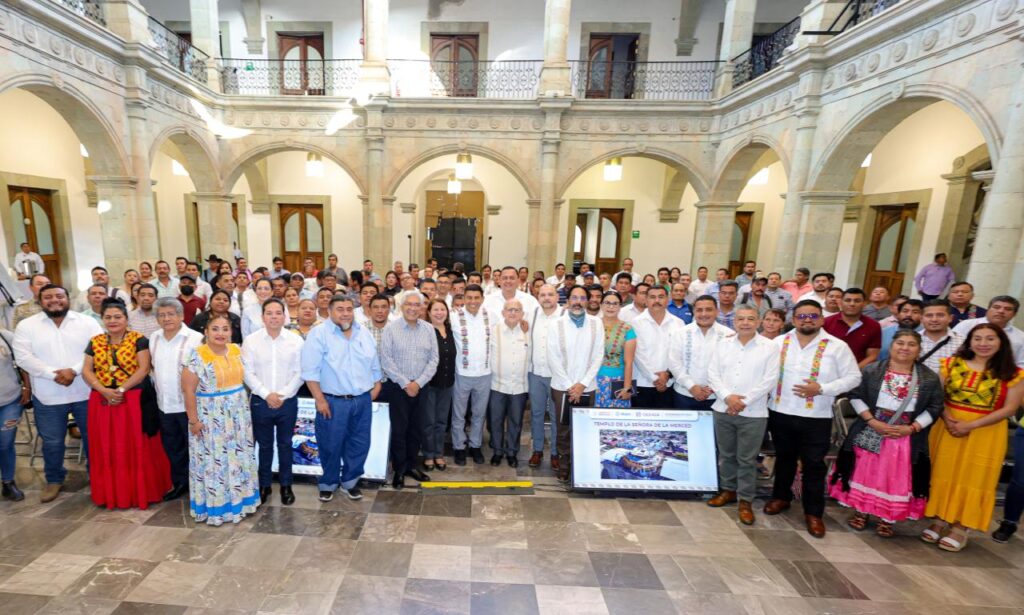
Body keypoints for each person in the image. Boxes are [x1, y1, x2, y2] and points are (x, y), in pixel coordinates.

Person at [828, 330, 944, 537]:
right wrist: (871, 420)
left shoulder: (928, 378)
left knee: (896, 477)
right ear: (891, 347)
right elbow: (855, 395)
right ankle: (861, 511)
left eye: (911, 344)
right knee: (865, 472)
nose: (905, 348)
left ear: (919, 350)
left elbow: (935, 407)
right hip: (872, 429)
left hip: (906, 438)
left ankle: (887, 517)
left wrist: (912, 427)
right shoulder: (872, 370)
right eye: (900, 343)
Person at [763, 300, 861, 538]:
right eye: (802, 316)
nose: (807, 320)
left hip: (816, 416)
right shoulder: (778, 343)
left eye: (813, 316)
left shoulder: (837, 346)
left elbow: (854, 377)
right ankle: (781, 497)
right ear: (793, 319)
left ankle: (813, 513)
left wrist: (823, 388)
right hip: (780, 411)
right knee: (784, 459)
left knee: (814, 465)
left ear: (822, 319)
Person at [922, 323, 1024, 551]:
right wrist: (949, 420)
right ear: (969, 342)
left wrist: (972, 425)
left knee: (974, 476)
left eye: (990, 339)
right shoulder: (950, 364)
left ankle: (961, 526)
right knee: (942, 471)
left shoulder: (1014, 374)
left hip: (985, 432)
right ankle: (938, 519)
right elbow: (937, 396)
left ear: (1002, 343)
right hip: (947, 427)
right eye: (977, 338)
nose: (983, 344)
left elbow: (1010, 409)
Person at [13, 284, 103, 502]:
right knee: (52, 442)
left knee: (93, 439)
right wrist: (52, 374)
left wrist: (73, 370)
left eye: (59, 296)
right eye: (48, 297)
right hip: (48, 395)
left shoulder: (87, 322)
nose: (55, 300)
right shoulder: (27, 326)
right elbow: (23, 357)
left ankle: (98, 478)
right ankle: (54, 480)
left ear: (67, 298)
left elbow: (99, 349)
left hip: (85, 392)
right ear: (40, 301)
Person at [81, 298, 170, 510]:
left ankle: (139, 492)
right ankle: (111, 492)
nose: (113, 321)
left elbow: (143, 369)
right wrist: (103, 390)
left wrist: (120, 390)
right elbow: (86, 370)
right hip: (102, 401)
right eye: (108, 317)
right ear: (102, 320)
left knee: (136, 447)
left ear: (126, 319)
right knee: (107, 447)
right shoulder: (95, 342)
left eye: (118, 317)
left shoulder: (139, 340)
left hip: (132, 400)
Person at [301, 295, 382, 502]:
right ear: (329, 310)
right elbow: (310, 372)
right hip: (332, 401)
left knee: (359, 443)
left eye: (349, 309)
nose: (345, 313)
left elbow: (374, 365)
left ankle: (350, 482)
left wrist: (374, 388)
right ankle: (328, 483)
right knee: (330, 444)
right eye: (340, 309)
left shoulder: (363, 332)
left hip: (362, 400)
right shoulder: (319, 334)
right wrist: (320, 400)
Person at [182, 313, 260, 525]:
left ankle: (241, 501)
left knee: (237, 458)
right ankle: (218, 508)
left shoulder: (236, 350)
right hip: (211, 417)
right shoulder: (197, 355)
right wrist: (193, 420)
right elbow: (188, 390)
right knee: (214, 462)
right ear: (205, 332)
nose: (220, 333)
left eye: (225, 329)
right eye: (215, 329)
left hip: (238, 417)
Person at [706, 305, 780, 525]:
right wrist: (728, 397)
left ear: (758, 322)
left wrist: (743, 402)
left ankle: (745, 500)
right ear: (734, 322)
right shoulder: (723, 344)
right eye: (741, 319)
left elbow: (770, 379)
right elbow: (713, 374)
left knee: (746, 459)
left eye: (750, 319)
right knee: (726, 454)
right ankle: (728, 490)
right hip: (723, 408)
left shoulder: (769, 347)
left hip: (754, 412)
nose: (745, 323)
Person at [242, 298, 304, 506]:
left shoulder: (296, 340)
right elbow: (247, 373)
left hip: (288, 402)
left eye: (278, 313)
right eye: (269, 313)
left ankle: (286, 485)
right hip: (261, 401)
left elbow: (300, 372)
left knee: (286, 444)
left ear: (285, 316)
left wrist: (283, 395)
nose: (274, 317)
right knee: (265, 446)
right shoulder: (251, 341)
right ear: (262, 317)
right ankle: (264, 485)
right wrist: (266, 394)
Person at [380, 292, 438, 488]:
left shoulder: (429, 329)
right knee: (399, 430)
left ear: (422, 308)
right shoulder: (391, 330)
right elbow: (386, 361)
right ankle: (399, 469)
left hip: (422, 388)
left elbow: (434, 360)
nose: (413, 308)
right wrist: (406, 383)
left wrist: (418, 383)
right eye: (409, 305)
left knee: (416, 429)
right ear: (401, 307)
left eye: (417, 305)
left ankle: (412, 465)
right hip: (397, 388)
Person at [547, 285, 604, 483]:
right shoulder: (556, 324)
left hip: (588, 387)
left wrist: (583, 384)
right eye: (574, 298)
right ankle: (564, 468)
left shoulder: (597, 323)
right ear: (568, 301)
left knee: (584, 428)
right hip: (562, 387)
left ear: (587, 301)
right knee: (563, 430)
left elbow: (598, 356)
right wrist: (571, 385)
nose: (578, 302)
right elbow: (553, 357)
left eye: (582, 298)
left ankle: (581, 469)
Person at [150, 297, 203, 502]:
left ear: (181, 315)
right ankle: (180, 482)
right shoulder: (153, 338)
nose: (166, 319)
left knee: (195, 447)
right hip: (164, 404)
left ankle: (199, 484)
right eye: (161, 315)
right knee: (173, 447)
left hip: (189, 405)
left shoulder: (195, 338)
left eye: (171, 314)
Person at [669, 296, 735, 410]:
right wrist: (691, 386)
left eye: (709, 309)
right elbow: (674, 363)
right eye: (699, 310)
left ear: (717, 311)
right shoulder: (680, 333)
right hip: (684, 394)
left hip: (717, 397)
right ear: (694, 312)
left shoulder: (729, 335)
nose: (704, 314)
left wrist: (712, 388)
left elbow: (731, 366)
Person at [487, 298, 531, 467]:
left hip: (519, 386)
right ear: (503, 312)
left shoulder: (528, 331)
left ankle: (512, 452)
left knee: (516, 421)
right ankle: (497, 451)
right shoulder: (493, 330)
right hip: (497, 385)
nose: (513, 313)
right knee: (495, 421)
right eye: (509, 309)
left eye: (517, 310)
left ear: (522, 314)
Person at [451, 285, 492, 466]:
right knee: (459, 414)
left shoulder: (492, 316)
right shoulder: (454, 316)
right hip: (462, 373)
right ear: (464, 298)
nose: (473, 301)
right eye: (469, 298)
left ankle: (475, 445)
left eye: (477, 297)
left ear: (482, 299)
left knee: (479, 413)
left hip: (485, 373)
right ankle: (459, 446)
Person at [527, 284, 563, 468]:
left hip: (558, 376)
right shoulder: (532, 314)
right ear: (538, 297)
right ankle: (537, 450)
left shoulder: (565, 316)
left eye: (550, 294)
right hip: (536, 373)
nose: (546, 298)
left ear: (557, 297)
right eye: (543, 295)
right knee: (537, 413)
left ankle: (556, 453)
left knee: (556, 416)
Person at [633, 285, 684, 408]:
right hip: (641, 383)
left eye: (661, 297)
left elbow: (679, 354)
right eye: (652, 297)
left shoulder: (678, 323)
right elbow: (637, 355)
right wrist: (655, 378)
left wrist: (668, 376)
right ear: (646, 299)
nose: (656, 301)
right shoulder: (635, 323)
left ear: (668, 299)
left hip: (669, 384)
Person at [421, 298, 455, 472]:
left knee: (441, 421)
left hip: (447, 383)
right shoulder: (425, 331)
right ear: (428, 312)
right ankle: (427, 454)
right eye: (435, 310)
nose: (439, 313)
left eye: (443, 309)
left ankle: (438, 453)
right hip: (429, 384)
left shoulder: (451, 330)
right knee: (429, 421)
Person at [0, 324, 29, 501]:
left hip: (10, 400)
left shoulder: (6, 337)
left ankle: (8, 482)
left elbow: (23, 363)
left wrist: (27, 387)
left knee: (5, 442)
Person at [953, 295, 1024, 367]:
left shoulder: (1021, 337)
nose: (1001, 311)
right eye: (996, 307)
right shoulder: (966, 325)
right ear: (988, 309)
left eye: (1008, 309)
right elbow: (951, 350)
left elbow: (1022, 364)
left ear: (1014, 314)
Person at [595, 291, 636, 408]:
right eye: (607, 303)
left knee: (616, 421)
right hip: (592, 381)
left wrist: (627, 388)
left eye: (615, 303)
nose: (611, 307)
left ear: (620, 307)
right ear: (601, 305)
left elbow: (629, 362)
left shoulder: (627, 329)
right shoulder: (592, 325)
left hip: (618, 382)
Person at [823, 288, 882, 368]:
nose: (852, 304)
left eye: (857, 301)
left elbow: (872, 356)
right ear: (840, 303)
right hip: (827, 369)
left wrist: (853, 372)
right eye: (847, 300)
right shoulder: (826, 322)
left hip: (858, 372)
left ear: (864, 304)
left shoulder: (874, 325)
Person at [918, 300, 965, 374]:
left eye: (940, 315)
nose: (934, 319)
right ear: (921, 319)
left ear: (950, 318)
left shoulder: (962, 342)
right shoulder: (912, 340)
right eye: (929, 315)